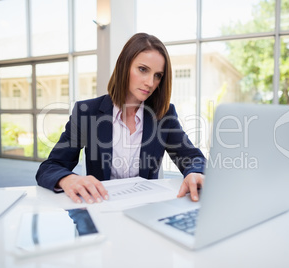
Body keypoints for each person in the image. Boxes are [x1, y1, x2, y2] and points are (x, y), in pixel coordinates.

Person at [36, 33, 206, 204]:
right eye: (143, 69)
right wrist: (69, 179)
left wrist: (194, 172)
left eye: (158, 75)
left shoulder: (164, 115)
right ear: (124, 66)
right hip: (101, 207)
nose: (150, 82)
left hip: (145, 208)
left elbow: (194, 158)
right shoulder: (88, 112)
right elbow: (49, 167)